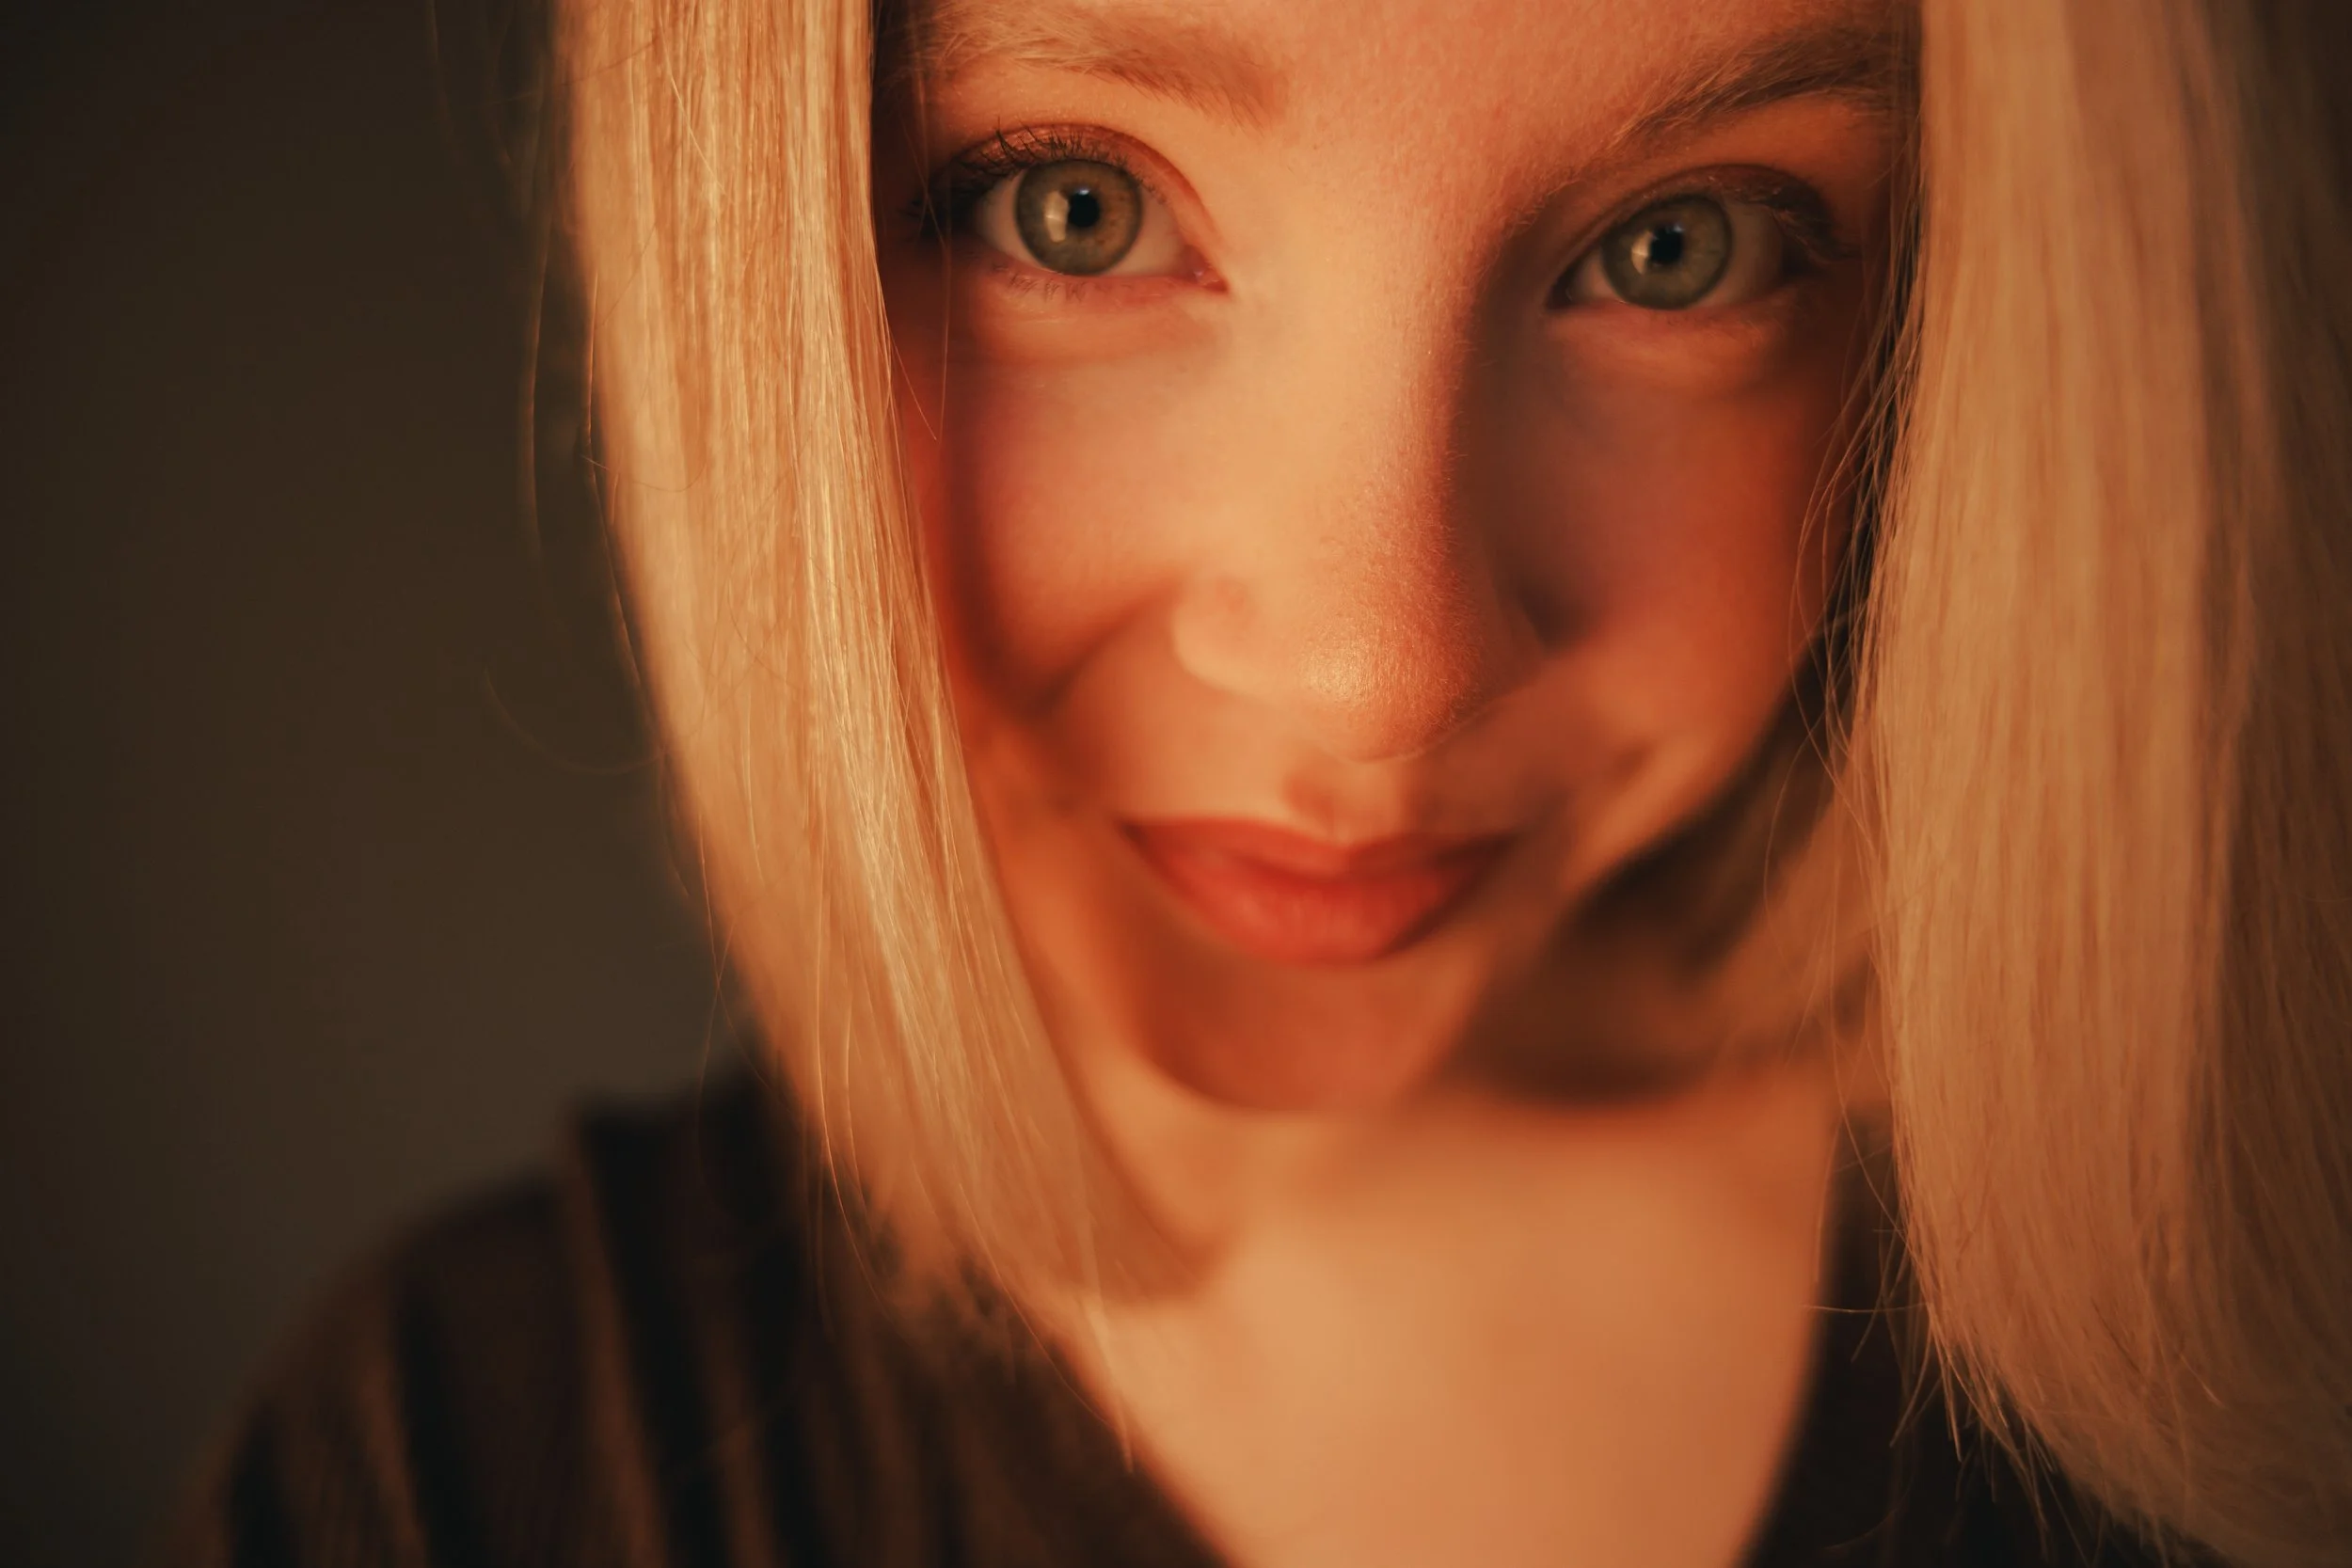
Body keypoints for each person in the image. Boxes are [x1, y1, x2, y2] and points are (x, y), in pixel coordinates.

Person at [163, 0, 2352, 1563]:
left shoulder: (2261, 1334)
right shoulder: (458, 1473)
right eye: (1076, 210)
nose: (1375, 675)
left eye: (1677, 245)